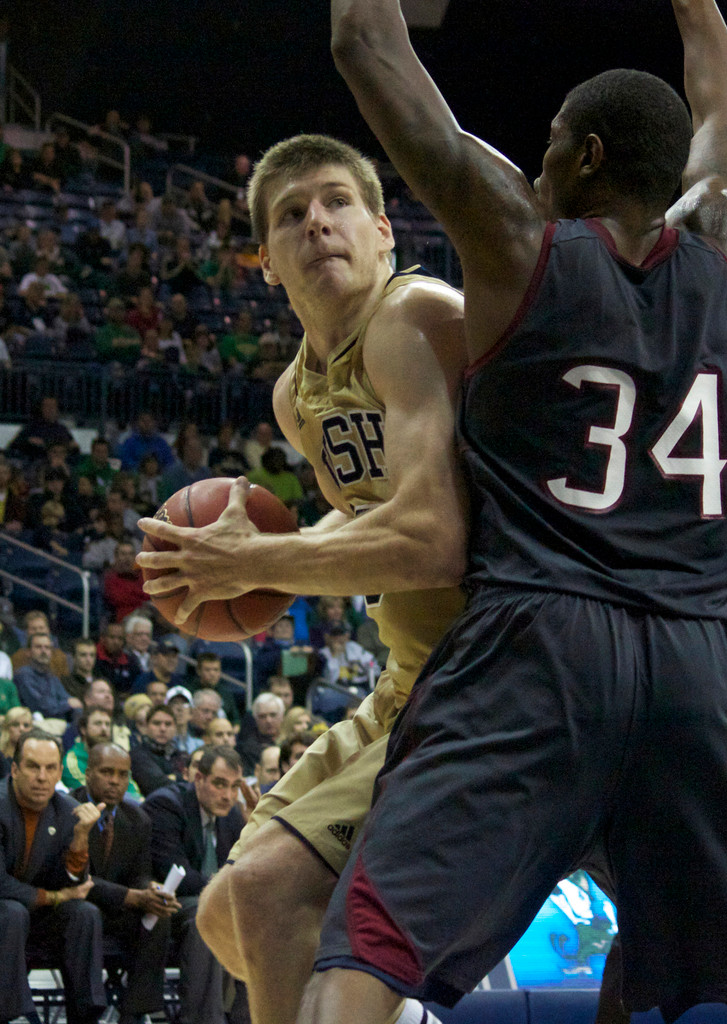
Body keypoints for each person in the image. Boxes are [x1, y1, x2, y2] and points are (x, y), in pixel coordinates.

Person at [286, 1, 727, 1023]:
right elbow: (726, 115)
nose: (535, 163)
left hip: (539, 641)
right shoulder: (725, 249)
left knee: (362, 955)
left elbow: (364, 44)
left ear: (586, 154)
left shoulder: (519, 238)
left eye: (551, 146)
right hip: (696, 664)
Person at [136, 131, 466, 1024]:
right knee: (222, 911)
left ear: (385, 229)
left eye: (337, 202)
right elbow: (364, 519)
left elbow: (432, 540)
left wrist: (255, 562)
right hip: (410, 680)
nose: (317, 224)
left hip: (492, 671)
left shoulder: (414, 318)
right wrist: (241, 567)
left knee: (268, 897)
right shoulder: (296, 394)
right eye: (291, 216)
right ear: (267, 264)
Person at [0, 729, 107, 1024]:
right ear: (14, 769)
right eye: (33, 766)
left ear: (61, 771)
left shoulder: (68, 810)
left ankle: (87, 1014)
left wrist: (80, 840)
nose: (42, 777)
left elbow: (75, 884)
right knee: (12, 912)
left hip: (36, 915)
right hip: (7, 913)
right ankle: (13, 1015)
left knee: (84, 913)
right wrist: (55, 897)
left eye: (50, 768)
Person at [71, 743, 179, 1024]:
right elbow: (75, 878)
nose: (115, 781)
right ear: (88, 773)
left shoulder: (138, 819)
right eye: (107, 772)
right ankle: (86, 1013)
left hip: (117, 911)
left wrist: (150, 890)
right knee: (87, 914)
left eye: (122, 774)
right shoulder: (68, 810)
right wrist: (131, 896)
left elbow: (140, 873)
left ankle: (135, 1012)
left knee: (159, 913)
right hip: (74, 908)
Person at [144, 745, 247, 1024]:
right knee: (205, 916)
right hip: (164, 906)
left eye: (235, 786)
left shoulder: (233, 815)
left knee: (257, 919)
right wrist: (227, 887)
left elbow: (244, 869)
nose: (228, 795)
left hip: (215, 902)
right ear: (198, 779)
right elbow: (176, 874)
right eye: (219, 784)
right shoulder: (166, 805)